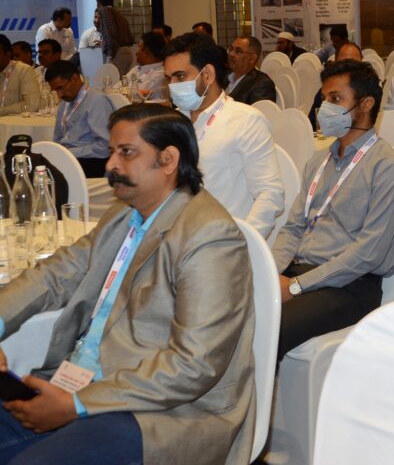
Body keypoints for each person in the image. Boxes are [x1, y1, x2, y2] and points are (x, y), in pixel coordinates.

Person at [0, 103, 255, 464]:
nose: (110, 165)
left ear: (168, 159)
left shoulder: (209, 236)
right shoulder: (126, 212)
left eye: (126, 153)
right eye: (111, 151)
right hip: (83, 382)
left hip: (162, 411)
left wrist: (78, 404)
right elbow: (56, 273)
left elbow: (194, 366)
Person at [274, 60, 394, 356]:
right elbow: (293, 227)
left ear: (366, 104)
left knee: (268, 328)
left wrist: (296, 286)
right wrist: (270, 273)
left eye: (336, 99)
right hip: (300, 273)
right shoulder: (318, 162)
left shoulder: (386, 167)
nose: (325, 108)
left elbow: (368, 253)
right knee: (229, 311)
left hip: (350, 286)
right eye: (324, 99)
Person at [164, 33, 284, 239]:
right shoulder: (172, 123)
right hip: (176, 235)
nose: (172, 85)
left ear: (208, 74)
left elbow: (269, 194)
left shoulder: (245, 120)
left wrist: (244, 244)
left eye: (180, 76)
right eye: (169, 78)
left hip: (222, 240)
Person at [44, 60, 116, 177]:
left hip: (91, 161)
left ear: (74, 78)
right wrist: (56, 152)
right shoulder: (65, 102)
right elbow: (57, 138)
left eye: (61, 88)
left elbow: (105, 146)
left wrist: (70, 153)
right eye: (55, 90)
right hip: (69, 157)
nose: (59, 95)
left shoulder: (97, 100)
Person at [226, 35, 277, 105]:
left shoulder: (262, 84)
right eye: (231, 49)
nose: (231, 54)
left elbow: (258, 112)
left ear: (252, 59)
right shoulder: (225, 76)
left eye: (238, 51)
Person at [0, 34, 41, 116]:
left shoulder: (23, 70)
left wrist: (2, 111)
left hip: (13, 123)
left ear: (8, 54)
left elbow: (32, 104)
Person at [95, 0, 134, 76]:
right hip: (127, 51)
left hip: (116, 52)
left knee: (111, 81)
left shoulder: (104, 11)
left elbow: (110, 33)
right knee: (121, 81)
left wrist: (110, 55)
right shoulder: (119, 15)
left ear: (99, 4)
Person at [124, 32, 167, 97]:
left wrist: (124, 91)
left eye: (139, 48)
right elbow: (117, 87)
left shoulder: (160, 74)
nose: (136, 52)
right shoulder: (136, 69)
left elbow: (138, 95)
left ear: (147, 51)